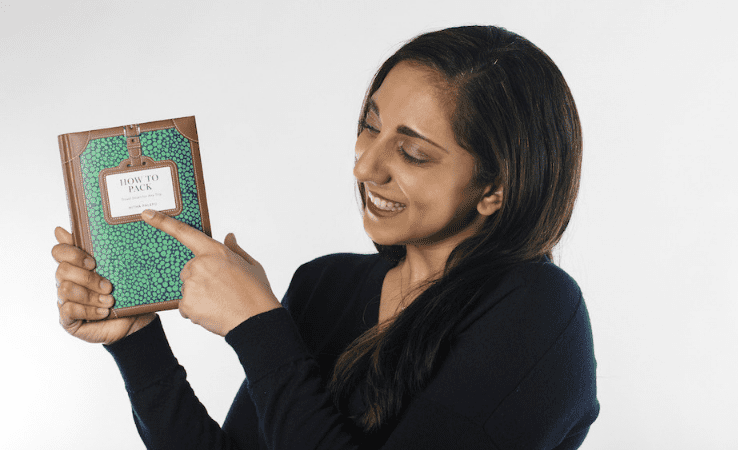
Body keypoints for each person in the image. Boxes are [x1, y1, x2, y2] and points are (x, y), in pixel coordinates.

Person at [52, 25, 599, 449]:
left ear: (494, 188)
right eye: (370, 125)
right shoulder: (325, 286)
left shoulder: (538, 309)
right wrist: (136, 341)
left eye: (412, 152)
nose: (366, 167)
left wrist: (259, 329)